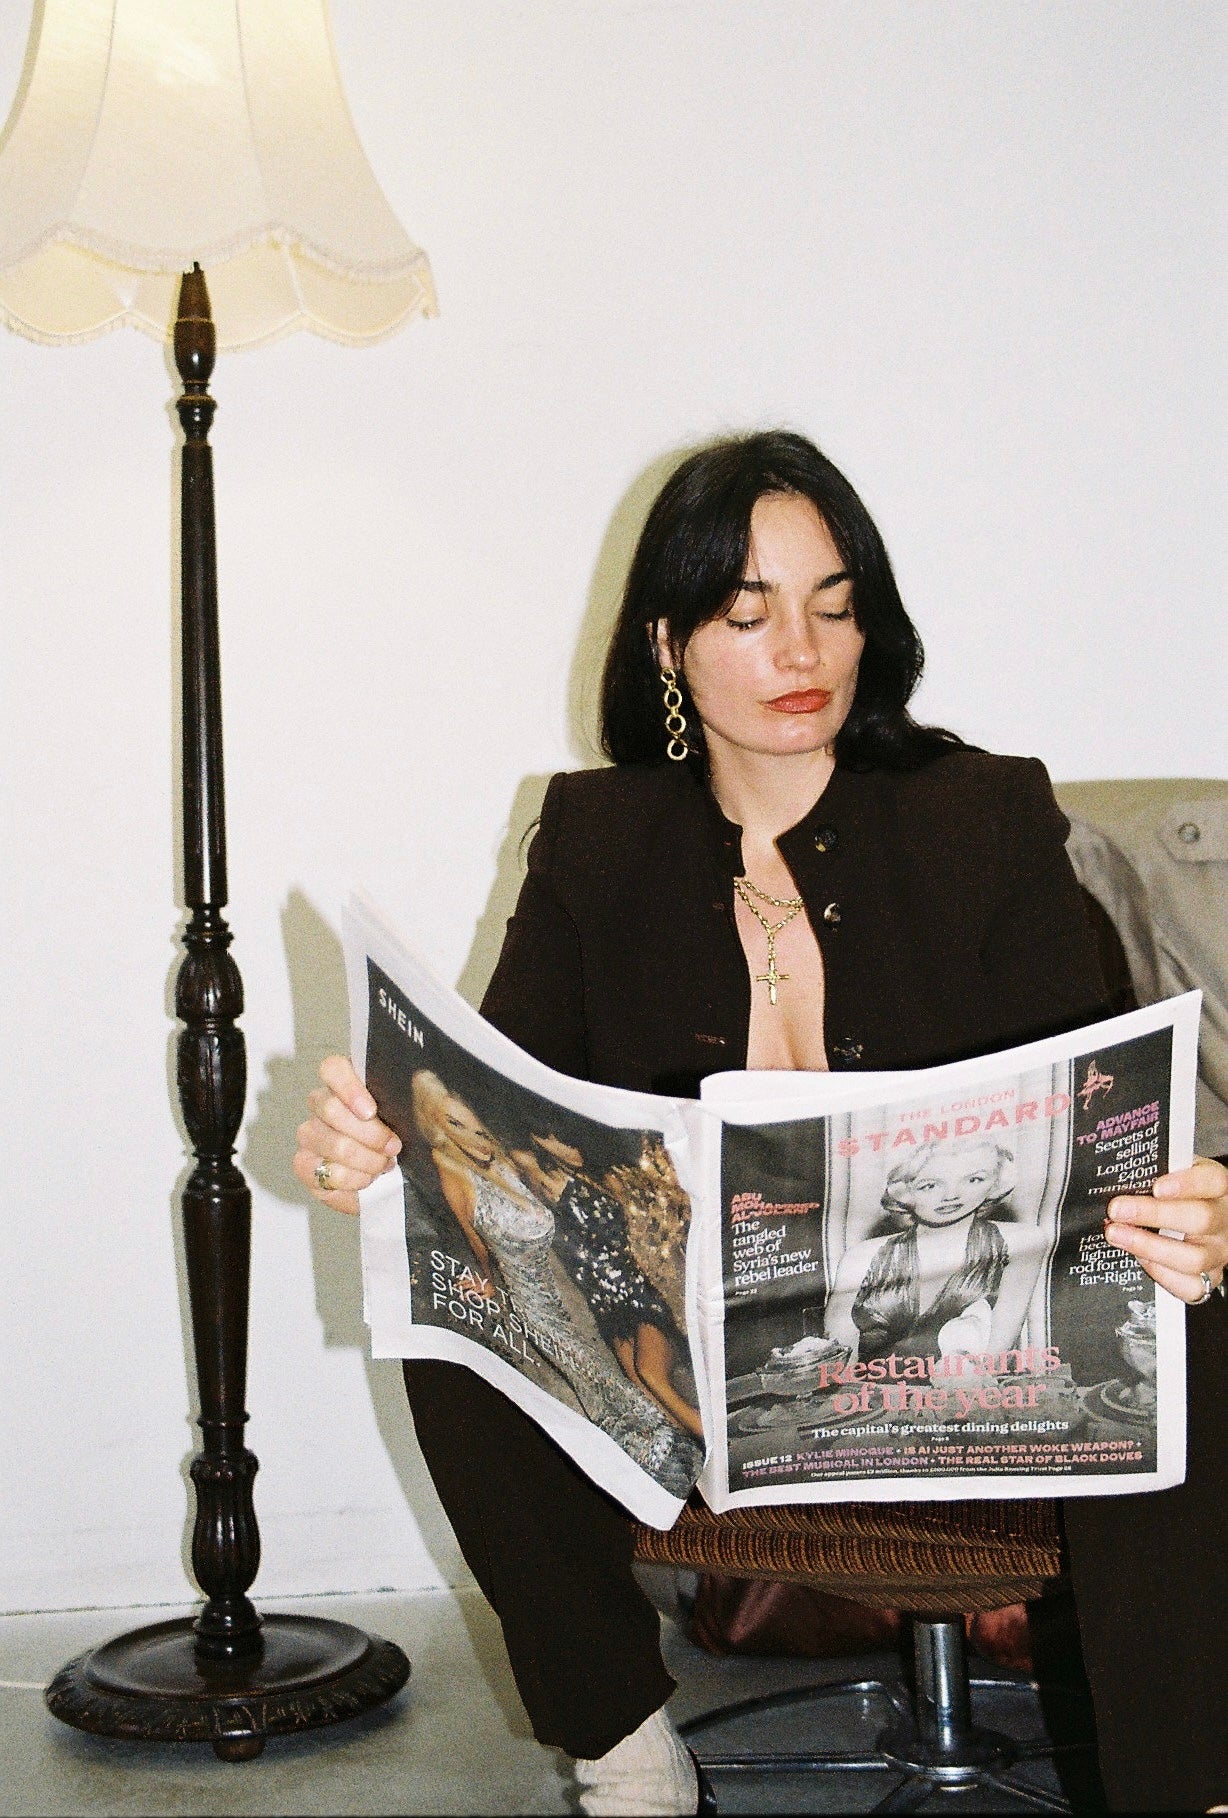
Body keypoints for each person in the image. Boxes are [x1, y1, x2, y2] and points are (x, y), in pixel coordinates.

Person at [295, 431, 1228, 1815]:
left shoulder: (981, 817)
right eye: (747, 615)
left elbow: (1098, 1114)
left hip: (966, 1337)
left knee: (1180, 1317)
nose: (802, 650)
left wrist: (1191, 1210)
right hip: (694, 1359)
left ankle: (1189, 1788)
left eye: (833, 607)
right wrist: (384, 1152)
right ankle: (624, 1749)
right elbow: (497, 1111)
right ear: (668, 644)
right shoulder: (595, 840)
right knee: (461, 1300)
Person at [410, 1071, 701, 1499]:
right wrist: (487, 1283)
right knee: (622, 1393)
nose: (473, 1137)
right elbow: (477, 1241)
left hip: (615, 1296)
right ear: (438, 1126)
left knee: (645, 1380)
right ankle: (674, 1474)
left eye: (477, 1127)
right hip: (556, 1309)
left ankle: (707, 1459)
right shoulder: (458, 1169)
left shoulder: (521, 1166)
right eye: (455, 1125)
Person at [508, 1133, 704, 1440]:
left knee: (649, 1372)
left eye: (565, 1138)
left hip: (639, 1293)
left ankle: (717, 1443)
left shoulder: (607, 1177)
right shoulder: (539, 1173)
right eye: (550, 1140)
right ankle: (693, 1450)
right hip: (605, 1306)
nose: (565, 1148)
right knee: (643, 1393)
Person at [825, 1137, 1044, 1362]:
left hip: (969, 1381)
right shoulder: (861, 1257)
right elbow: (835, 1359)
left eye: (974, 1179)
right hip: (867, 1383)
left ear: (995, 1184)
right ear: (904, 1191)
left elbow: (995, 1355)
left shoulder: (1022, 1241)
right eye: (930, 1185)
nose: (951, 1196)